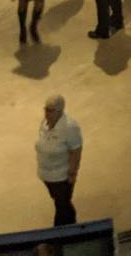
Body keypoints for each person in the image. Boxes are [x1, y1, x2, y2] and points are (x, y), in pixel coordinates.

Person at [35, 93, 83, 226]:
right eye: (45, 109)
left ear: (60, 111)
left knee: (62, 206)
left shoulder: (70, 127)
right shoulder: (44, 123)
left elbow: (76, 151)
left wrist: (72, 173)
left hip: (61, 176)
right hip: (46, 175)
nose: (46, 113)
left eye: (50, 110)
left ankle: (63, 231)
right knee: (59, 201)